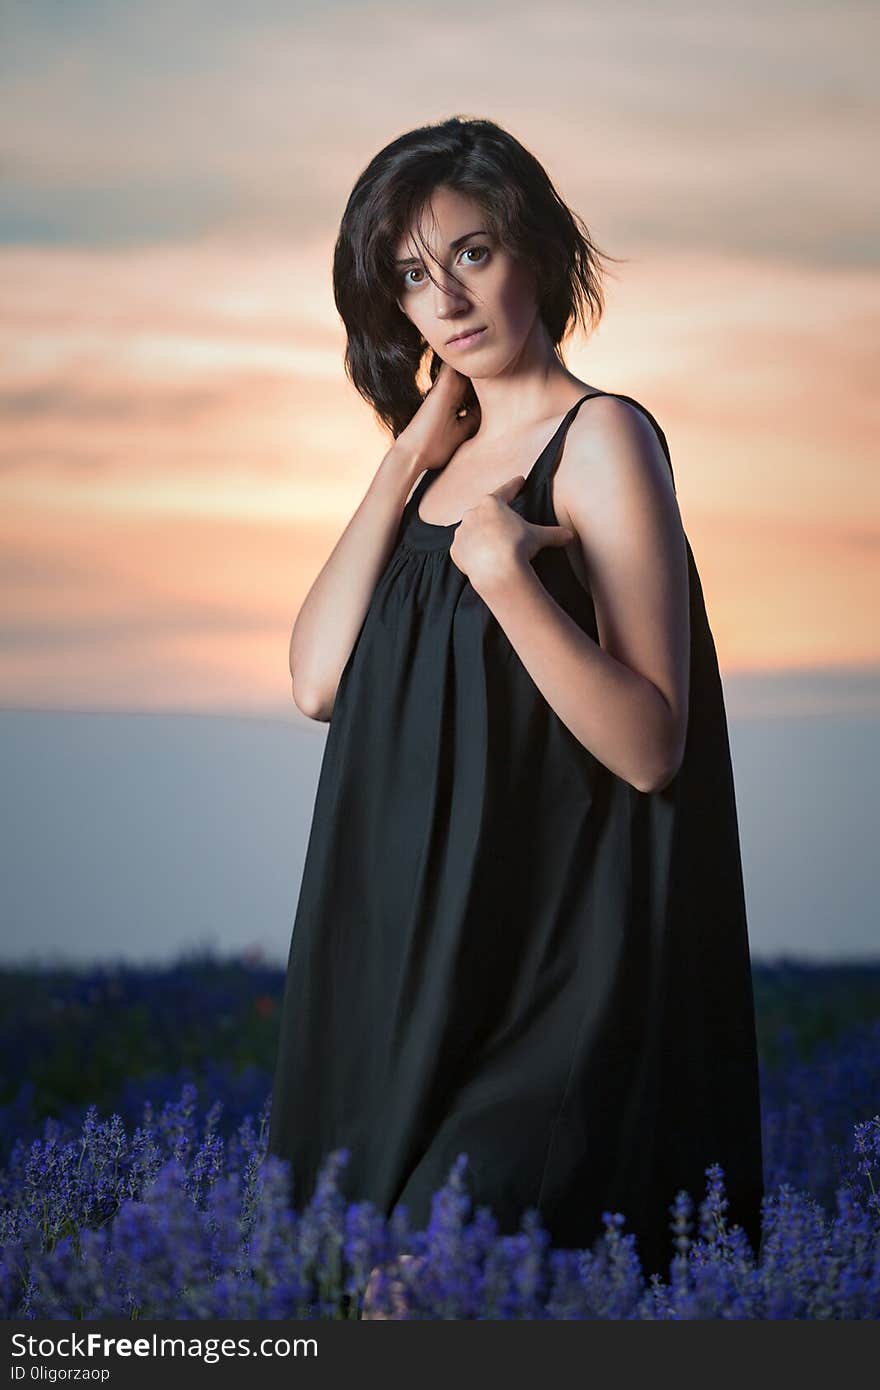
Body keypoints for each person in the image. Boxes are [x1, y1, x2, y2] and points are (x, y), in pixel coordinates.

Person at [267, 116, 764, 1312]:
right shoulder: (430, 470)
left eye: (472, 253)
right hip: (411, 965)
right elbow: (316, 678)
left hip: (555, 977)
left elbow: (652, 747)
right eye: (409, 276)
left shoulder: (604, 442)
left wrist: (503, 578)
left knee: (415, 1287)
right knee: (348, 1293)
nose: (446, 296)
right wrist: (400, 466)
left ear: (535, 248)